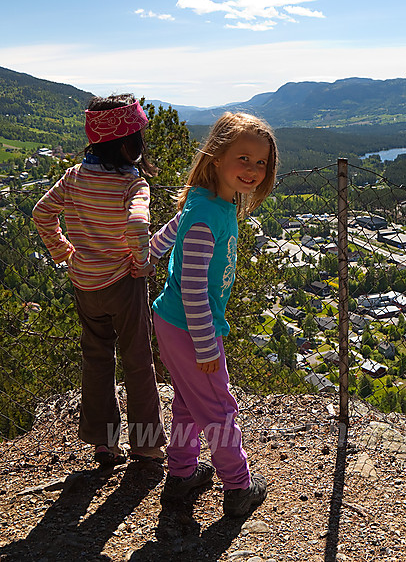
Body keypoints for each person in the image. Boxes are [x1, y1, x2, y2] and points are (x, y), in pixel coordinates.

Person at [149, 111, 276, 517]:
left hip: (176, 324)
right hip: (191, 327)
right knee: (219, 408)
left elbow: (174, 226)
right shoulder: (208, 216)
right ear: (217, 157)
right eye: (244, 159)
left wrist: (149, 252)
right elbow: (192, 290)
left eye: (261, 163)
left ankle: (182, 474)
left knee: (188, 401)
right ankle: (239, 486)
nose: (253, 170)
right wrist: (206, 348)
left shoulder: (206, 200)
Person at [32, 94, 166, 466]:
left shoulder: (73, 177)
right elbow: (139, 226)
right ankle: (146, 444)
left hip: (84, 283)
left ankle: (103, 442)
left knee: (96, 356)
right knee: (137, 359)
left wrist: (63, 253)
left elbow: (42, 212)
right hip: (123, 282)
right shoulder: (133, 185)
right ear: (128, 145)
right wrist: (143, 263)